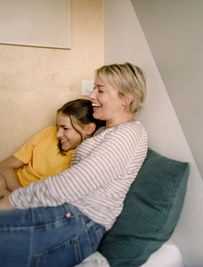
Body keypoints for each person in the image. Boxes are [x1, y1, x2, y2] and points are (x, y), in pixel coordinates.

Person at [0, 62, 148, 266]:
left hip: (78, 223)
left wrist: (10, 203)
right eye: (94, 88)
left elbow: (69, 185)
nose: (92, 96)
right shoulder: (105, 132)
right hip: (67, 217)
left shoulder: (129, 134)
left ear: (126, 98)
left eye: (100, 90)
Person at [0, 99, 104, 194]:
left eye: (65, 128)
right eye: (58, 126)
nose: (58, 134)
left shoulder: (90, 157)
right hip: (12, 188)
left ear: (89, 129)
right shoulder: (48, 133)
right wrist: (19, 195)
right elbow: (5, 166)